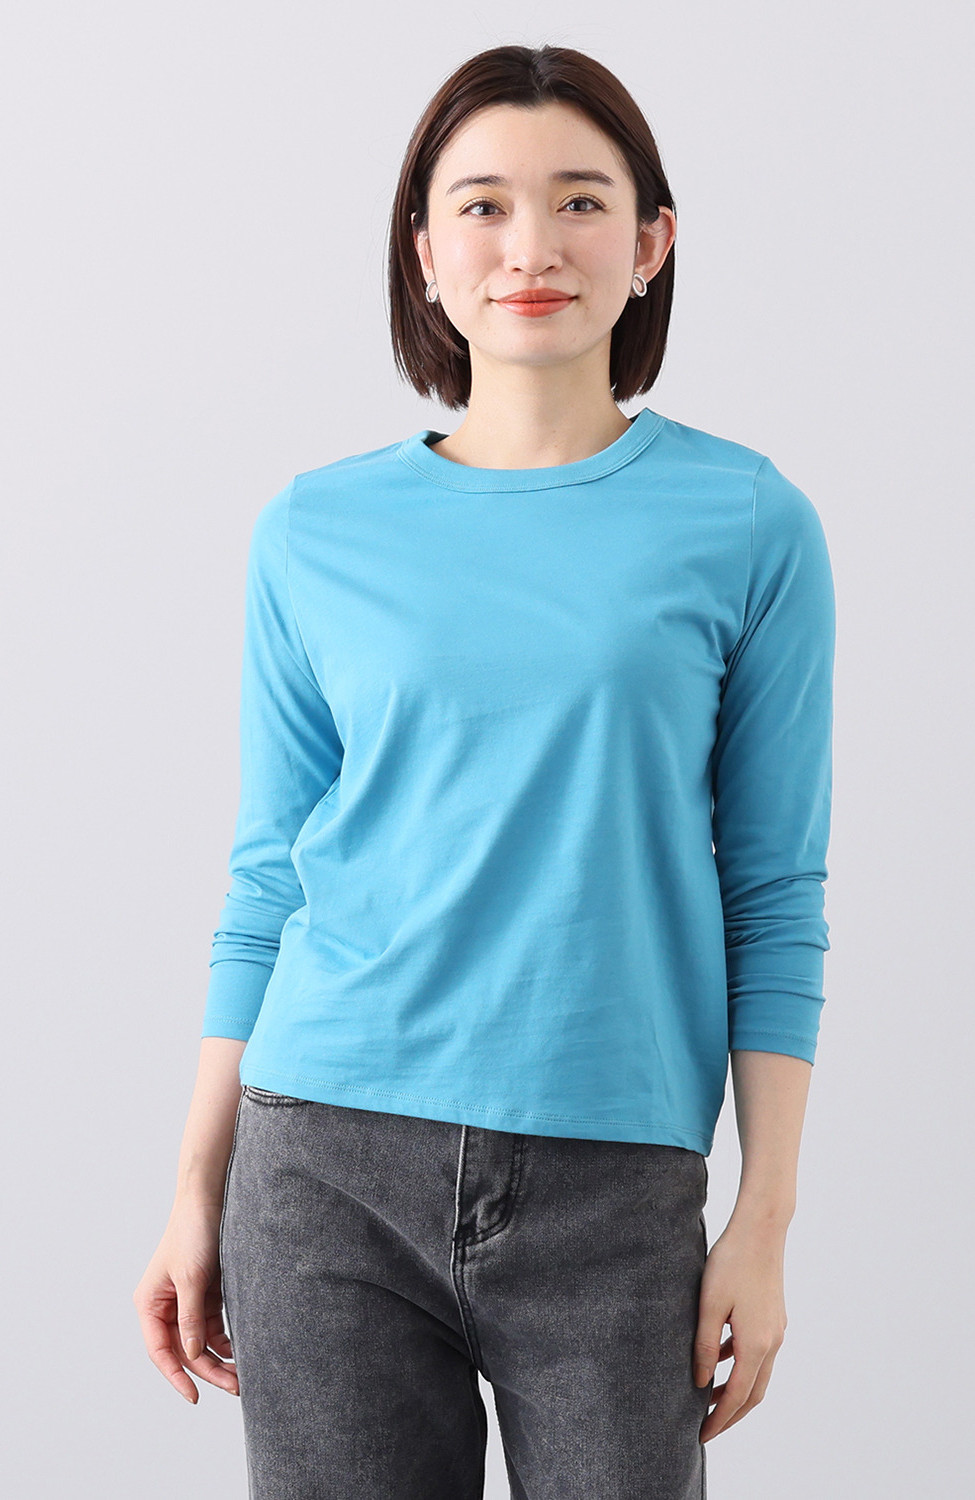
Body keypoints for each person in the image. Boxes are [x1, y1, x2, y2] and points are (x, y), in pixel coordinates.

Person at [134, 42, 836, 1500]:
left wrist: (762, 1221)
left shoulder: (747, 522)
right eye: (484, 207)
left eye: (581, 202)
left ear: (652, 243)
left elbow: (773, 892)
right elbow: (268, 878)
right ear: (425, 251)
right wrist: (195, 1186)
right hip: (323, 1164)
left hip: (615, 1184)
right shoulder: (314, 531)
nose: (532, 247)